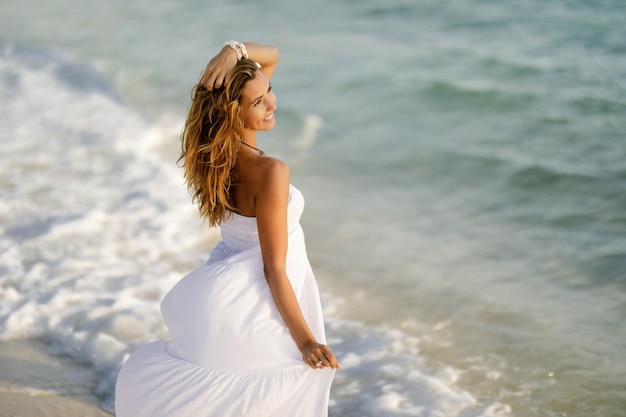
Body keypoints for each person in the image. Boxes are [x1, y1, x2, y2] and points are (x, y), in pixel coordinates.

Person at [114, 41, 339, 417]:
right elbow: (274, 269)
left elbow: (271, 57)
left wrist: (232, 51)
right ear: (234, 114)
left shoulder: (216, 156)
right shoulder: (271, 171)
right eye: (258, 103)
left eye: (269, 92)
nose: (272, 104)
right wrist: (306, 341)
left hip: (225, 288)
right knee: (281, 390)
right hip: (256, 302)